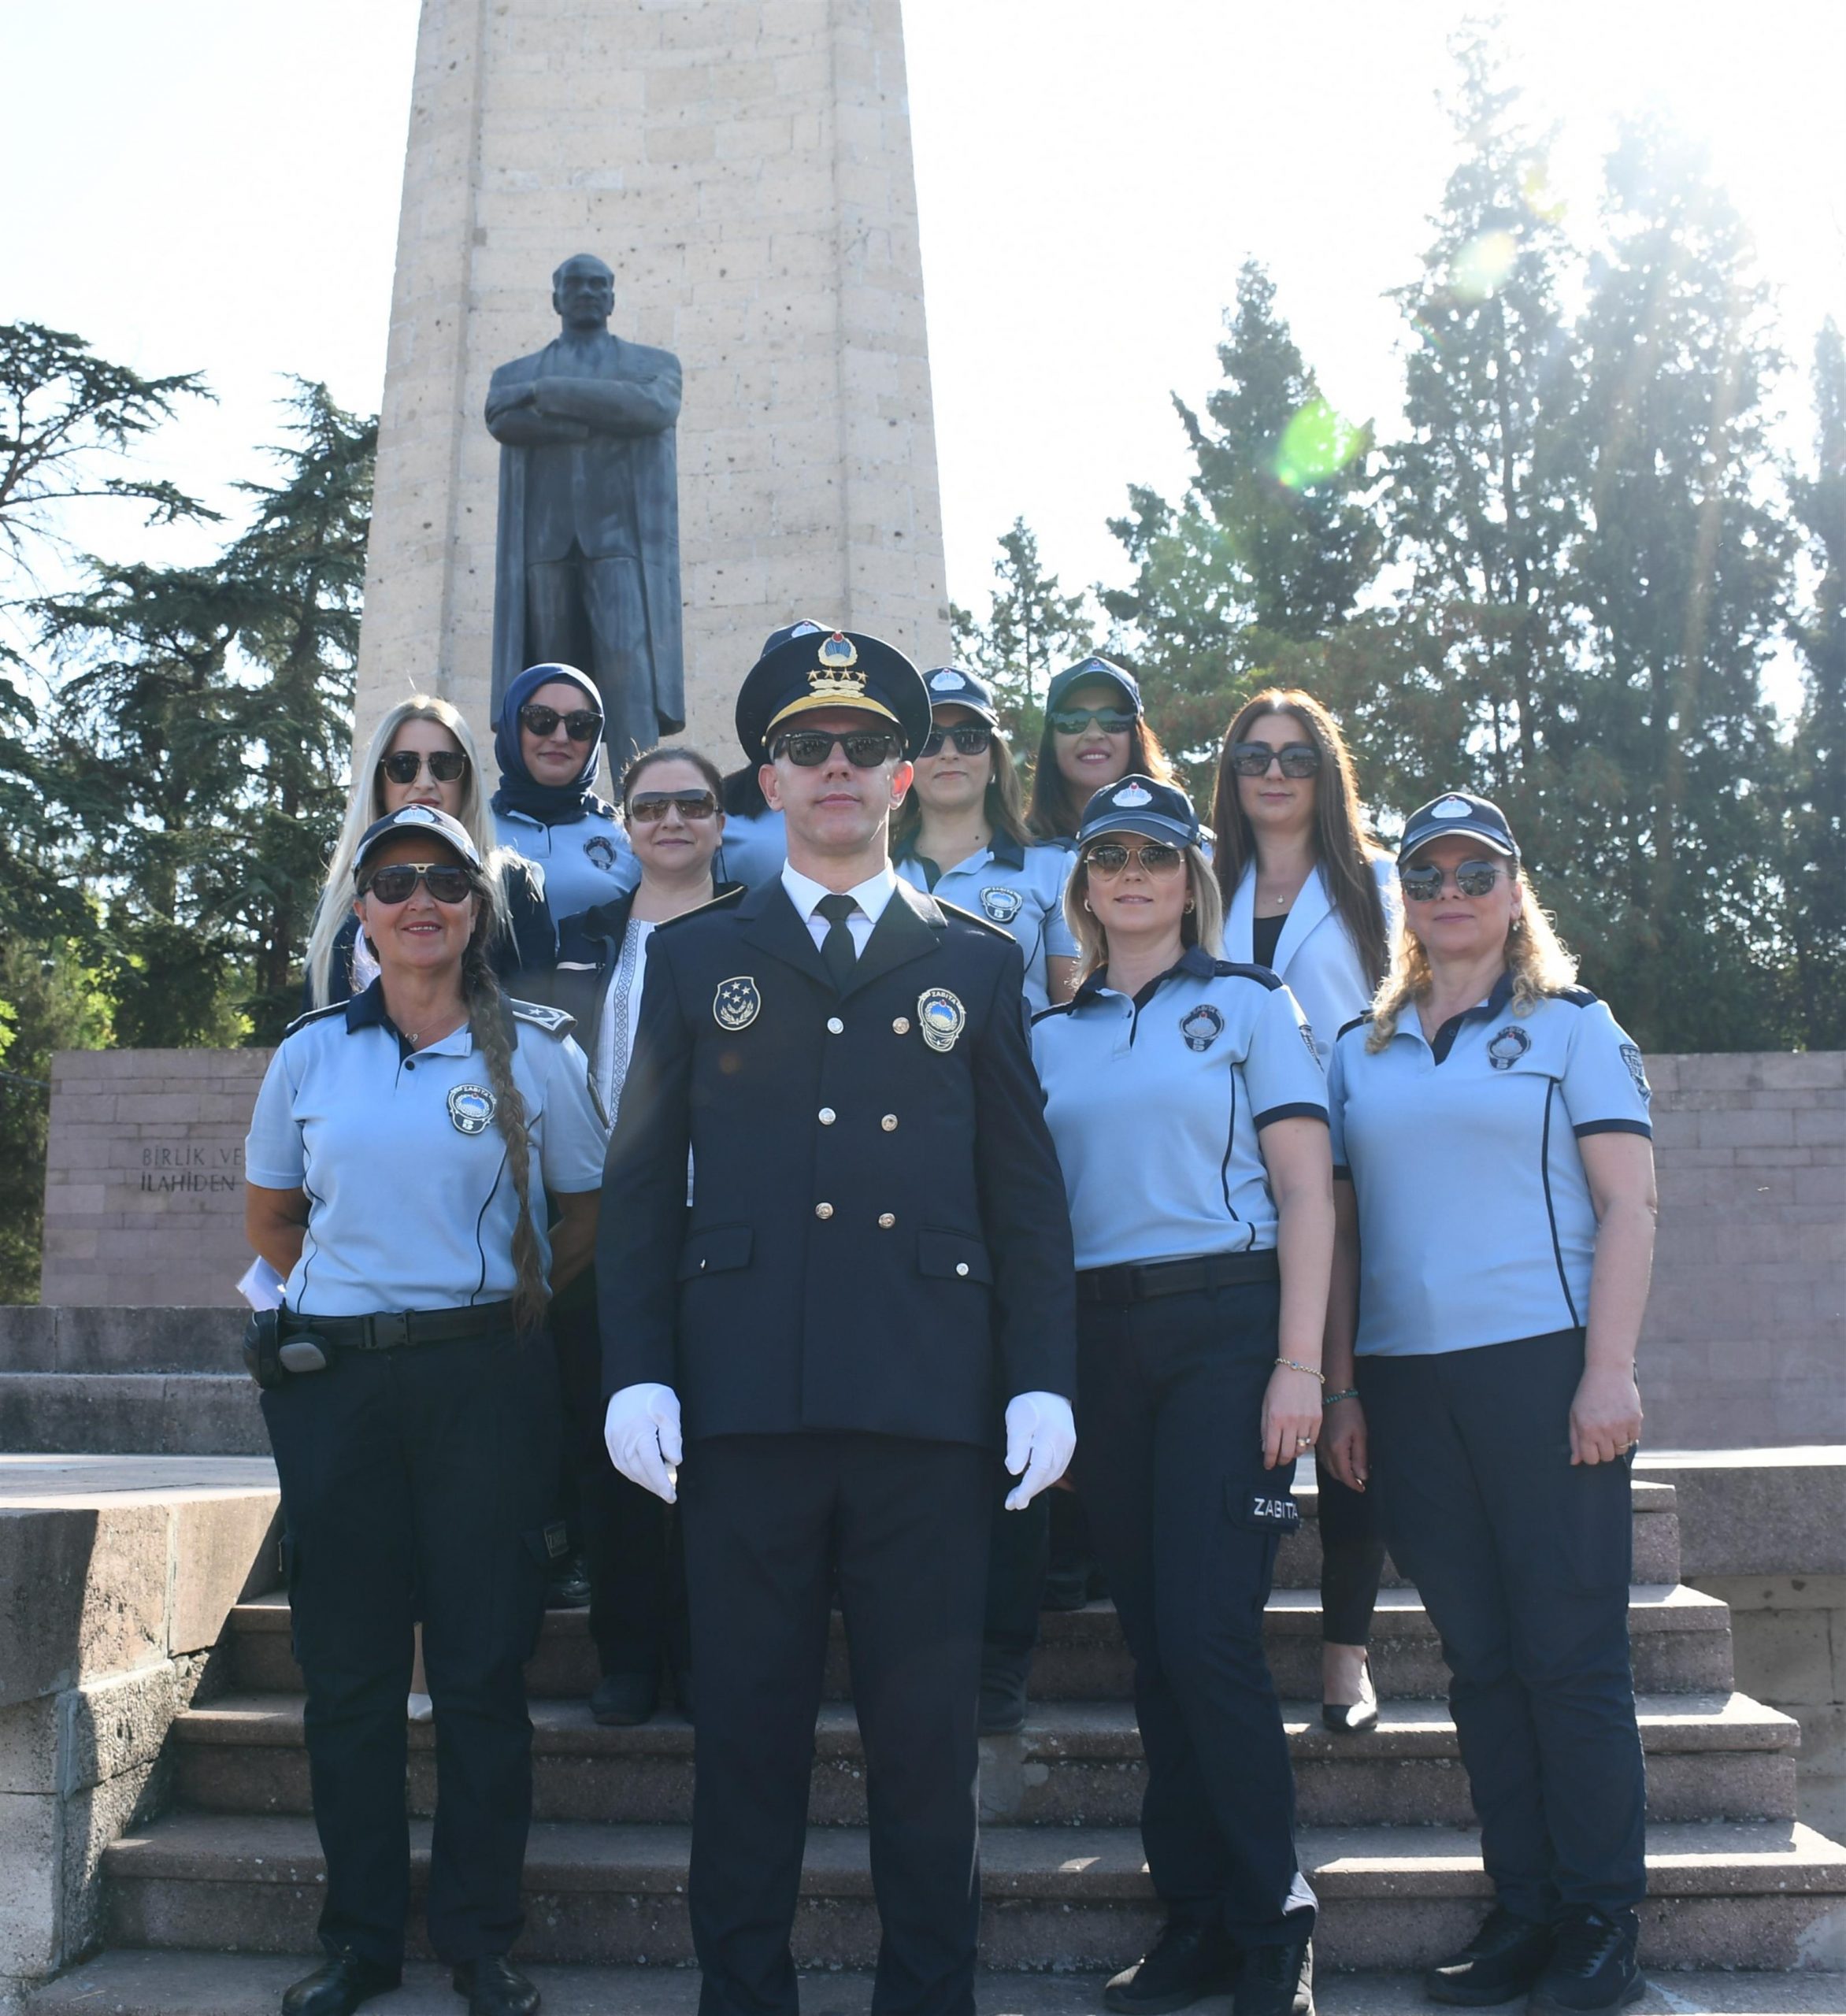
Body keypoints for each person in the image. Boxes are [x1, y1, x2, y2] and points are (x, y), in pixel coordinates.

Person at [598, 627, 1078, 2016]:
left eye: (865, 747)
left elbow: (1024, 1203)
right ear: (766, 775)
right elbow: (635, 1197)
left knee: (925, 1754)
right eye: (807, 747)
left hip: (925, 1412)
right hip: (742, 1411)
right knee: (744, 1745)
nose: (836, 770)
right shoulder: (696, 962)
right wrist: (637, 1373)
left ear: (903, 772)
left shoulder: (977, 965)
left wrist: (1037, 1380)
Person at [243, 804, 606, 2016]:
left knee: (481, 1674)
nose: (419, 899)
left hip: (484, 1387)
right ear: (363, 911)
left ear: (474, 911)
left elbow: (584, 1214)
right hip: (341, 1390)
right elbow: (272, 1221)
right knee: (345, 1676)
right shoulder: (310, 1057)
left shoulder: (541, 1053)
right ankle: (359, 1943)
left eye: (445, 879)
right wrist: (358, 1309)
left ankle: (479, 1940)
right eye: (393, 879)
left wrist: (501, 1302)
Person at [1320, 791, 1655, 2014]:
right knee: (1481, 1662)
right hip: (1409, 1387)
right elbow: (1344, 1236)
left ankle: (1601, 1924)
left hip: (1543, 1367)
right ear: (1402, 897)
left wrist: (1609, 1369)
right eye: (1429, 875)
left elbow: (1630, 1207)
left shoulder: (1574, 1028)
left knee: (1569, 1659)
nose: (1451, 894)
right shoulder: (1360, 1047)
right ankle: (1523, 1909)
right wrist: (1343, 1387)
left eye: (1476, 873)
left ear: (1515, 892)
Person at [1032, 774, 1332, 2016]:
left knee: (1212, 1636)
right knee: (1156, 1647)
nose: (1133, 872)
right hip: (1102, 1350)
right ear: (1086, 884)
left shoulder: (1253, 1006)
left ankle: (1275, 1922)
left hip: (1227, 1332)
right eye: (1110, 854)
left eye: (1157, 852)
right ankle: (1196, 1918)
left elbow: (1312, 1195)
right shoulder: (1046, 1036)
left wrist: (1301, 1368)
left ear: (1190, 875)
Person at [531, 744, 738, 1726]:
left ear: (722, 820)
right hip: (604, 1224)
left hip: (724, 1223)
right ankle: (627, 1655)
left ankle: (703, 1655)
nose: (671, 822)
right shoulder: (577, 940)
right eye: (651, 805)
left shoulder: (760, 932)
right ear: (624, 821)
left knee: (719, 1453)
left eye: (692, 804)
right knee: (610, 1446)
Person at [1210, 689, 1399, 1737]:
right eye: (1253, 756)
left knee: (1347, 1402)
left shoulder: (1375, 882)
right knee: (1266, 1400)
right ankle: (1242, 1606)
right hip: (1237, 1174)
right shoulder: (1205, 878)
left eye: (1296, 757)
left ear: (1327, 774)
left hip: (1361, 1172)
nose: (1274, 774)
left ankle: (1345, 1652)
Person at [484, 250, 683, 766]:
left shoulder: (653, 366)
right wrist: (595, 417)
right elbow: (500, 418)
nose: (589, 293)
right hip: (545, 549)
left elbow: (651, 409)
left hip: (617, 545)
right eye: (577, 285)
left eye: (599, 285)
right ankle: (548, 803)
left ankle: (639, 800)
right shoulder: (513, 372)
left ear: (613, 297)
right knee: (550, 689)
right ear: (556, 298)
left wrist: (543, 394)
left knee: (628, 677)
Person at [302, 696, 554, 1010]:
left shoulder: (515, 885)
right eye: (403, 766)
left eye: (445, 765)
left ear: (468, 779)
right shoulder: (339, 896)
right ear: (380, 782)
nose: (424, 783)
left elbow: (537, 1025)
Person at [895, 665, 1080, 1014]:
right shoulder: (875, 870)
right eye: (930, 740)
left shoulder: (1055, 869)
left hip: (1019, 1067)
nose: (950, 753)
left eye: (970, 737)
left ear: (994, 758)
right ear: (906, 765)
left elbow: (1070, 1016)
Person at [491, 661, 640, 921]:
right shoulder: (471, 826)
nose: (561, 737)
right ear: (512, 726)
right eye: (540, 719)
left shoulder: (626, 835)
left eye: (580, 724)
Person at [1025, 654, 1178, 844]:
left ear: (1136, 737)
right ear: (1051, 742)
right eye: (1074, 720)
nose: (1094, 734)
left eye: (1113, 719)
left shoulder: (1189, 847)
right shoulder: (1015, 859)